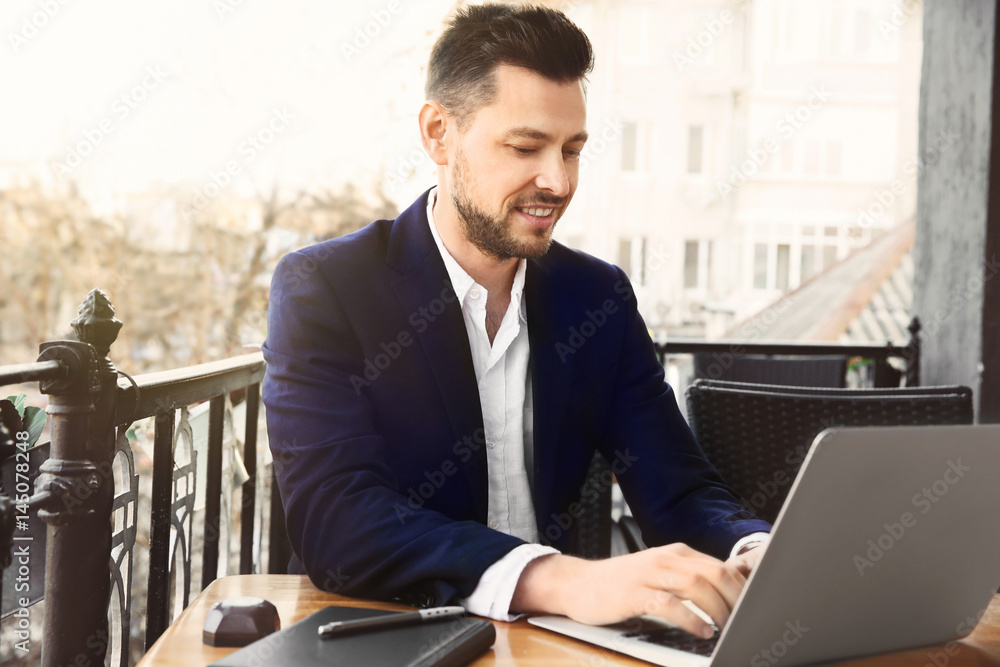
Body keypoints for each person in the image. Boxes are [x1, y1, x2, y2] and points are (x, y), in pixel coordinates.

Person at [262, 2, 770, 641]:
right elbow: (336, 522)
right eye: (526, 146)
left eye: (573, 150)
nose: (557, 181)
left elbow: (678, 489)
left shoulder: (598, 297)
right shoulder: (329, 288)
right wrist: (565, 579)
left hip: (551, 642)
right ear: (439, 134)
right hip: (382, 634)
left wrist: (754, 550)